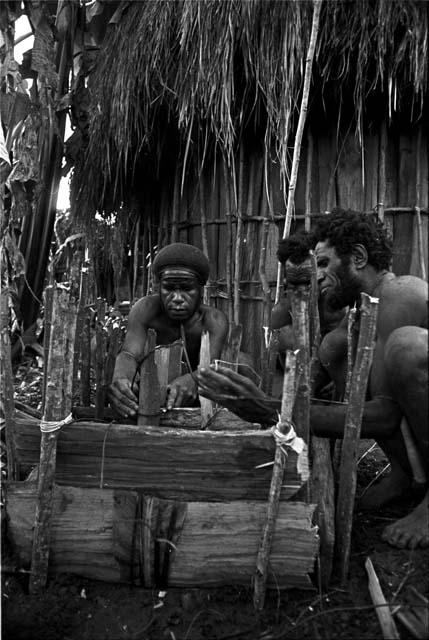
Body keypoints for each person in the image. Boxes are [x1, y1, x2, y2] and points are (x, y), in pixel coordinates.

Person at [195, 209, 428, 549]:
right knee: (335, 347)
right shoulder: (363, 312)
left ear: (358, 258)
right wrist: (280, 400)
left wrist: (267, 409)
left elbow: (385, 417)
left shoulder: (400, 294)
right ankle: (405, 473)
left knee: (406, 348)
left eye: (323, 263)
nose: (317, 277)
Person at [109, 242, 228, 419]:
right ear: (159, 286)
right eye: (169, 288)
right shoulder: (145, 310)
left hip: (198, 410)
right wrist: (121, 377)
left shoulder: (214, 321)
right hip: (147, 401)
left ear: (201, 288)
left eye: (187, 289)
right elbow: (129, 354)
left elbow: (210, 368)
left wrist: (194, 380)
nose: (178, 298)